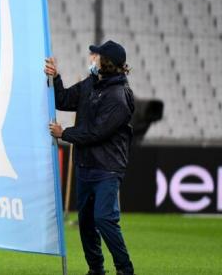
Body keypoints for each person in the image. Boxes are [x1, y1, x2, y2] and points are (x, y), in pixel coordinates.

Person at [46, 40, 135, 275]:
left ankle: (125, 270)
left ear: (105, 63)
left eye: (95, 56)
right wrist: (55, 78)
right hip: (86, 166)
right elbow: (64, 99)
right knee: (86, 223)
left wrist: (64, 133)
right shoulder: (91, 84)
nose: (92, 58)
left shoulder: (118, 96)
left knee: (104, 220)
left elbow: (96, 132)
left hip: (107, 168)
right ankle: (96, 270)